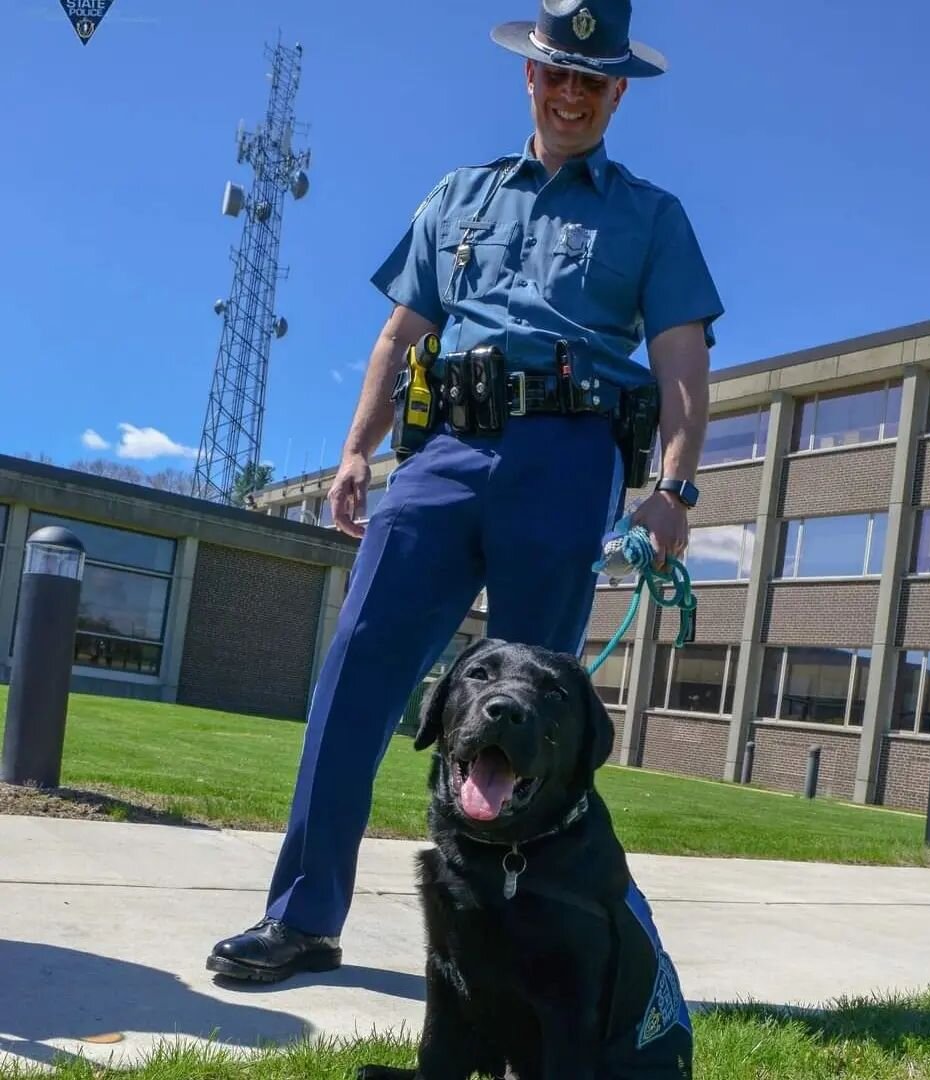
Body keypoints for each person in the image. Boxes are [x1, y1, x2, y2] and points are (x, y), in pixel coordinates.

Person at [207, 0, 723, 984]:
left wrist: (674, 488)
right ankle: (303, 917)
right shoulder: (460, 195)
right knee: (355, 671)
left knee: (526, 714)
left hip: (568, 460)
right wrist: (356, 453)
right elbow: (400, 337)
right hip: (442, 455)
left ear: (617, 92)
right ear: (530, 77)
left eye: (591, 80)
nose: (570, 93)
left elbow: (682, 360)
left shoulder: (652, 216)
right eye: (555, 75)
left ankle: (508, 946)